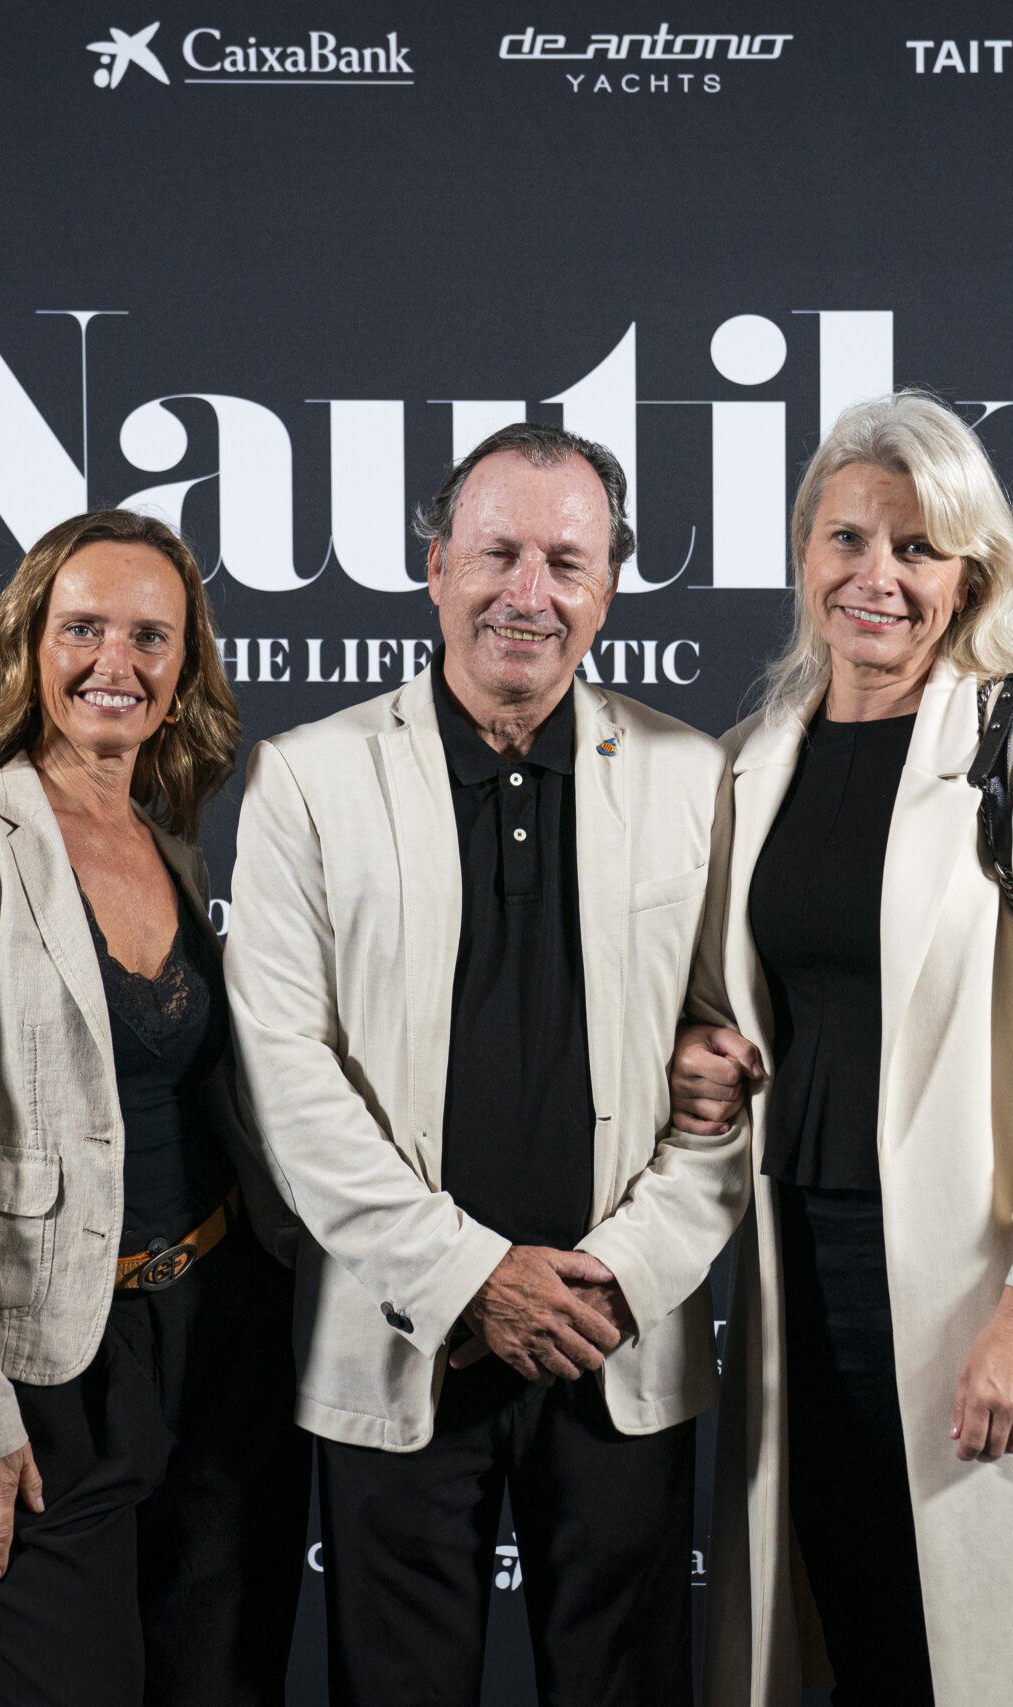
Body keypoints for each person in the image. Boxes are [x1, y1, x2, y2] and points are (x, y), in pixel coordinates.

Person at [225, 422, 743, 1707]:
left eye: (567, 563)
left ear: (608, 588)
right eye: (498, 553)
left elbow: (734, 1074)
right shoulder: (307, 781)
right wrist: (470, 1279)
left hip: (615, 1339)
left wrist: (618, 1280)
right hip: (397, 1333)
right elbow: (287, 1081)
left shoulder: (694, 778)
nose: (529, 593)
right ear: (435, 567)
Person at [674, 393, 1013, 1706]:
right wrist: (698, 1053)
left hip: (982, 1273)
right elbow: (728, 999)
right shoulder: (747, 763)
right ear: (804, 552)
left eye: (916, 547)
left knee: (995, 1649)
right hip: (797, 1265)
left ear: (971, 572)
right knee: (859, 1618)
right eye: (847, 538)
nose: (876, 577)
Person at [0, 509, 305, 1707]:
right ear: (28, 646)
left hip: (223, 1342)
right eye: (84, 628)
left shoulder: (173, 845)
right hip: (49, 1368)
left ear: (185, 667)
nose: (118, 662)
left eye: (152, 636)